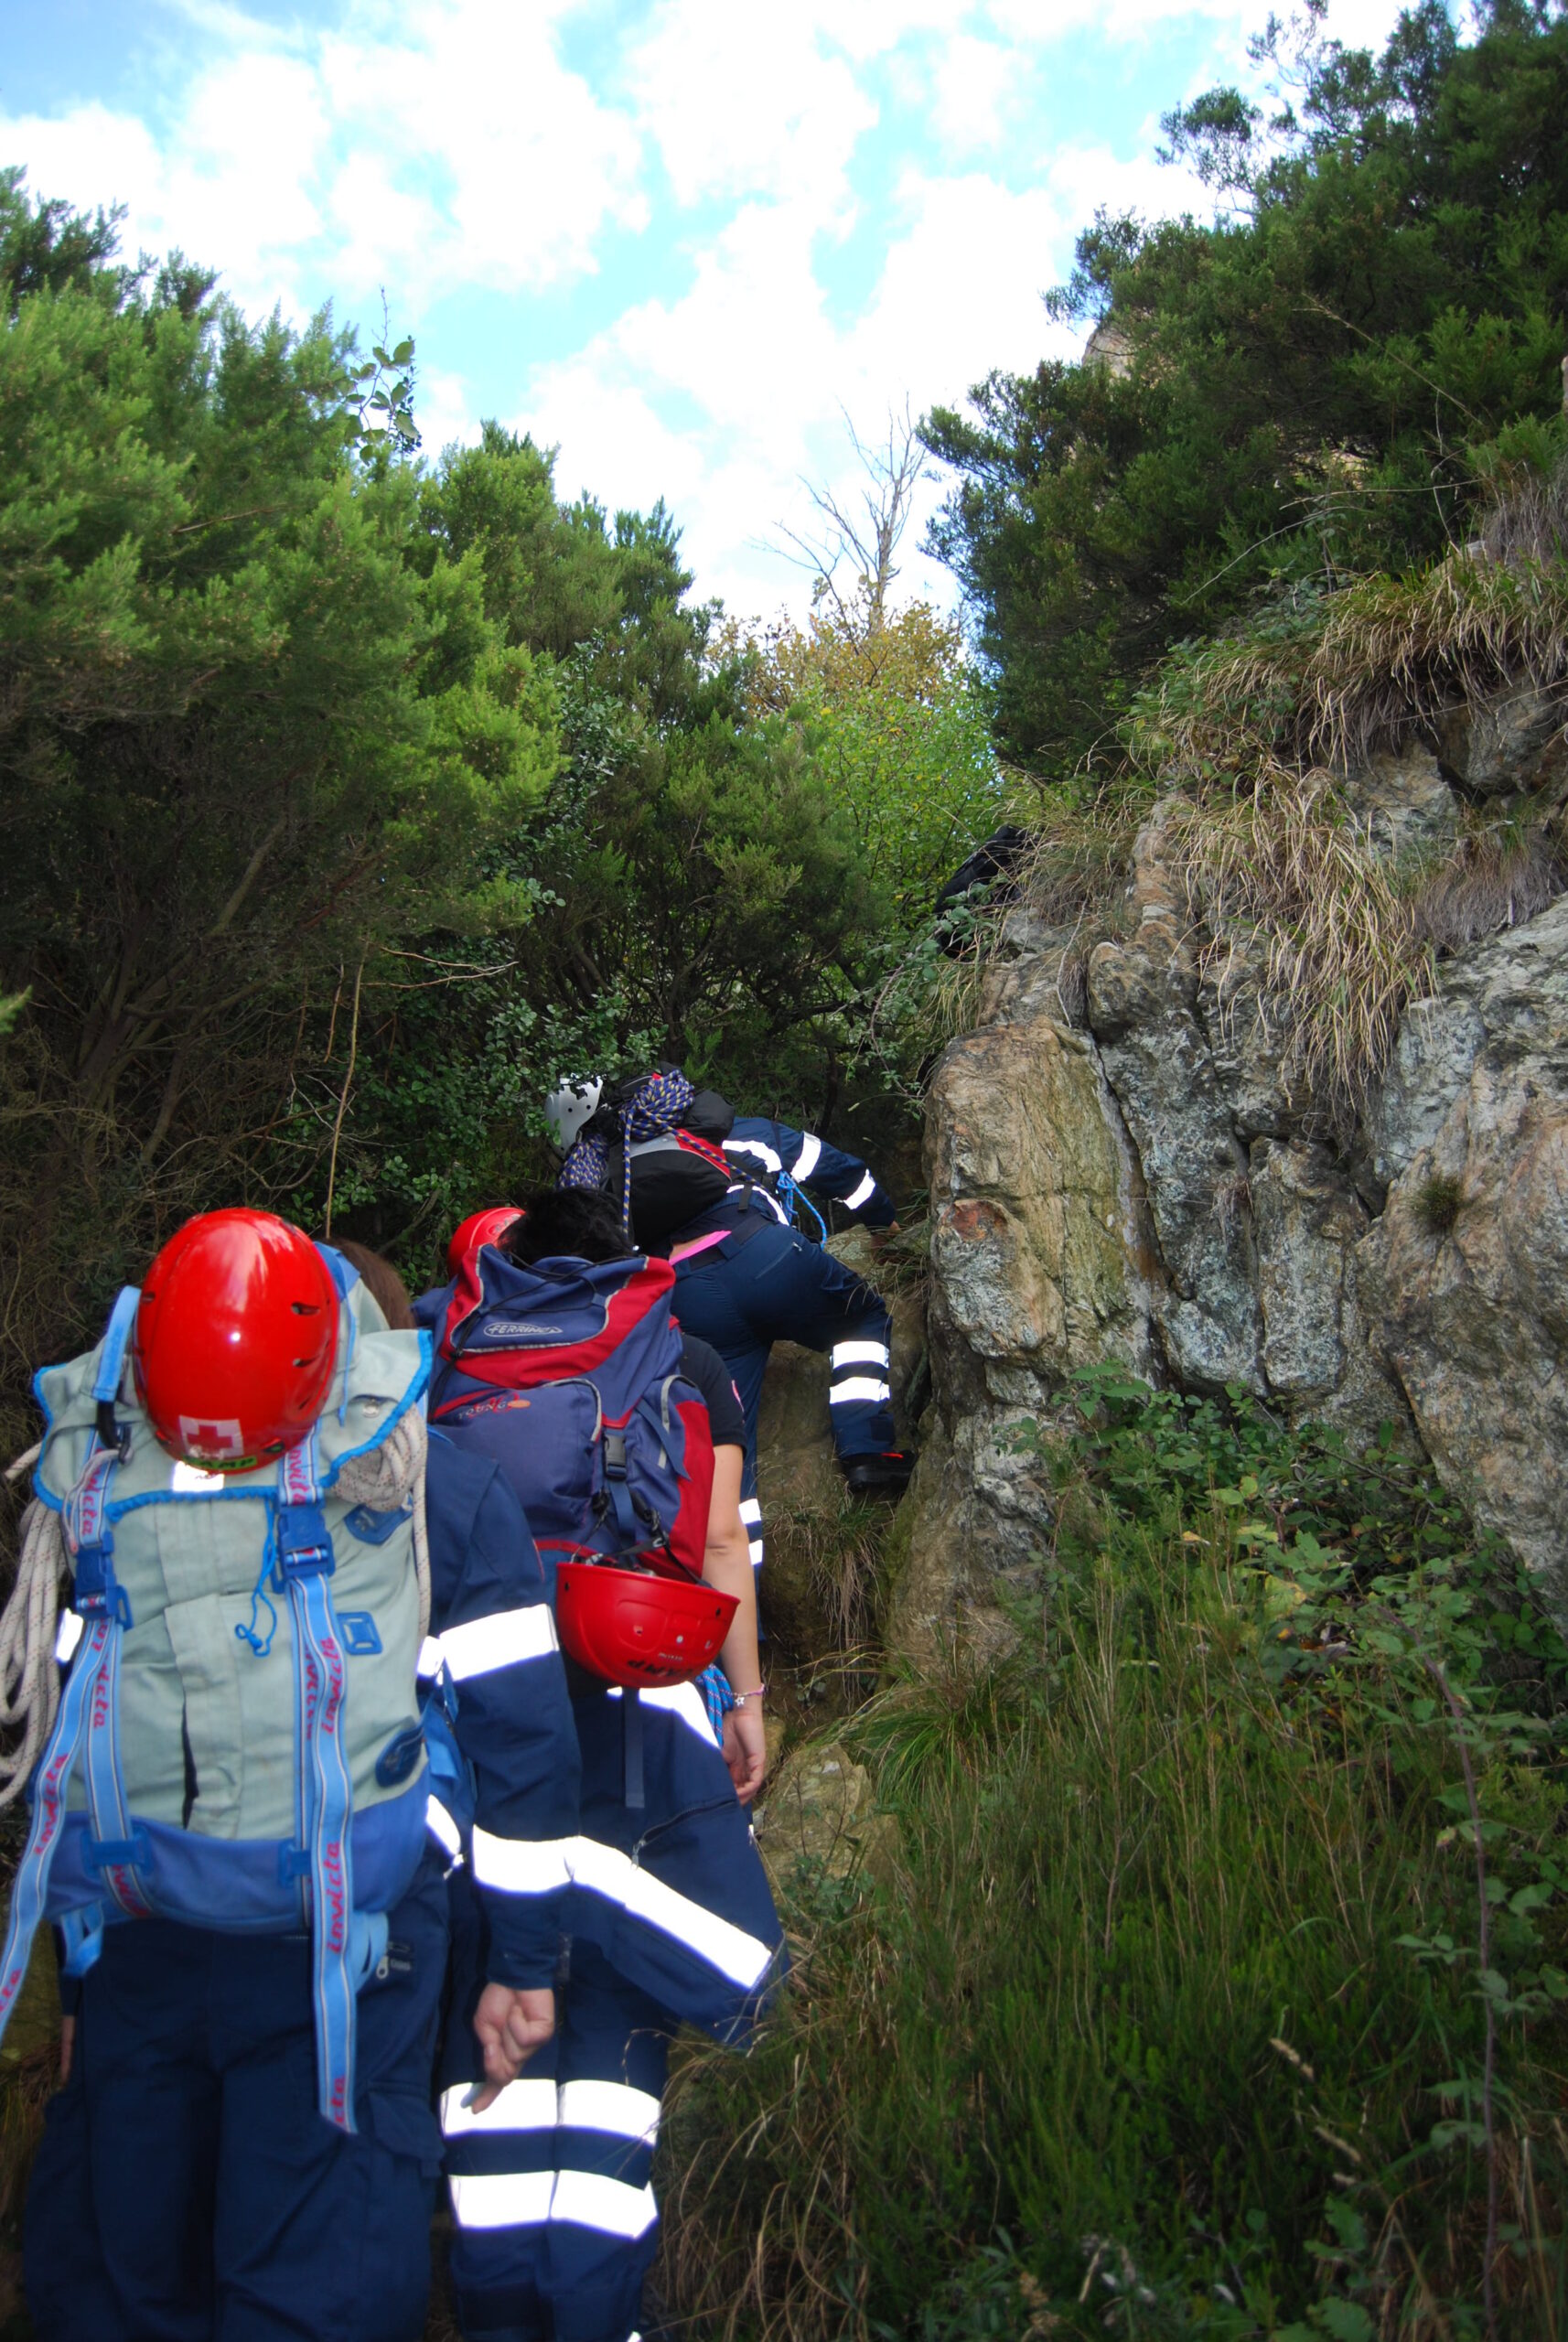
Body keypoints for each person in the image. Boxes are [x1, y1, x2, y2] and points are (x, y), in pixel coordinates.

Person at [1, 1208, 577, 2342]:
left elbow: (79, 1740)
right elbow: (525, 1749)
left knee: (128, 2257)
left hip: (141, 1931)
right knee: (317, 2263)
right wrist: (521, 1965)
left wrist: (79, 1984)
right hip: (350, 1948)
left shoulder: (111, 1490)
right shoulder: (434, 1489)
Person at [417, 1187, 782, 2342]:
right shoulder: (678, 1353)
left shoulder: (444, 1342)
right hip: (638, 1718)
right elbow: (719, 1539)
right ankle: (600, 2317)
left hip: (481, 1731)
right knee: (614, 2065)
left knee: (494, 2061)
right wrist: (750, 1698)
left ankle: (493, 2313)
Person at [547, 1069, 913, 1584]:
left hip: (691, 1302)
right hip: (766, 1257)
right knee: (861, 1320)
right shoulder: (726, 1132)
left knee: (728, 1446)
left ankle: (741, 1616)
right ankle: (867, 1450)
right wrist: (882, 1222)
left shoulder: (609, 1182)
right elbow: (836, 1171)